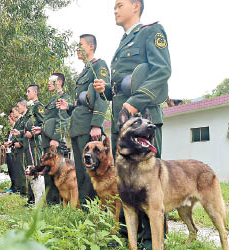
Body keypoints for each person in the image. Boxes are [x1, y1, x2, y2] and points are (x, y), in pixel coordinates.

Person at [94, 0, 171, 249]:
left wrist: (136, 102)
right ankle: (129, 235)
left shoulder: (151, 31)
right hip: (122, 119)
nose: (115, 9)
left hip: (142, 118)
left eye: (120, 4)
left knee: (148, 179)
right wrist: (106, 89)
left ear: (135, 6)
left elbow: (161, 71)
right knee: (125, 180)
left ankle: (151, 239)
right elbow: (121, 86)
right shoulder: (123, 41)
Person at [57, 34, 109, 208]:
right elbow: (82, 101)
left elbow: (101, 96)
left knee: (90, 171)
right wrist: (69, 106)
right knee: (80, 171)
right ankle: (85, 209)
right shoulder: (84, 71)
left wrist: (96, 124)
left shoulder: (98, 66)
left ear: (91, 46)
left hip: (88, 126)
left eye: (80, 45)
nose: (77, 49)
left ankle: (94, 211)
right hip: (77, 126)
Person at [32, 73, 70, 205]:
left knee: (56, 173)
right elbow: (50, 121)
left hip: (54, 142)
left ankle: (57, 204)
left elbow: (63, 119)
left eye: (51, 81)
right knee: (48, 172)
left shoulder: (63, 98)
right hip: (47, 140)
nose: (48, 83)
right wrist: (41, 129)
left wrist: (57, 138)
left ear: (59, 82)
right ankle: (50, 203)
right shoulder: (53, 99)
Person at [11, 100, 34, 204]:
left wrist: (20, 143)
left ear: (24, 105)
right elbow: (22, 131)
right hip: (20, 146)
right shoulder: (23, 118)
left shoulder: (29, 116)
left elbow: (28, 131)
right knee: (21, 170)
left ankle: (26, 192)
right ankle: (24, 191)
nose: (18, 108)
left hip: (26, 146)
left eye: (18, 106)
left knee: (25, 169)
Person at [2, 109, 18, 193]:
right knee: (10, 170)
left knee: (14, 170)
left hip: (14, 151)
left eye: (10, 118)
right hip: (8, 151)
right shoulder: (10, 129)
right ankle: (12, 186)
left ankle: (16, 187)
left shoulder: (17, 128)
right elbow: (8, 138)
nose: (9, 120)